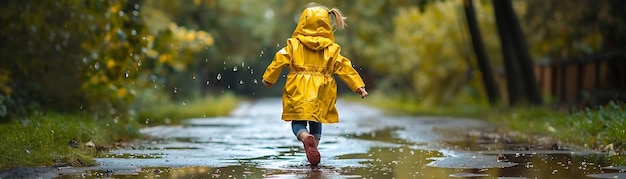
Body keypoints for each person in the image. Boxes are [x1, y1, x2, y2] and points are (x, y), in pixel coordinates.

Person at [261, 3, 368, 166]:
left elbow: (279, 59)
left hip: (298, 88)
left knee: (298, 122)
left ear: (302, 22)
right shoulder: (332, 49)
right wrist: (358, 86)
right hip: (321, 91)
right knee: (316, 118)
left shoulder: (293, 45)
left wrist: (269, 78)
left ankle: (305, 138)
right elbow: (345, 68)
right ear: (327, 24)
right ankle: (313, 149)